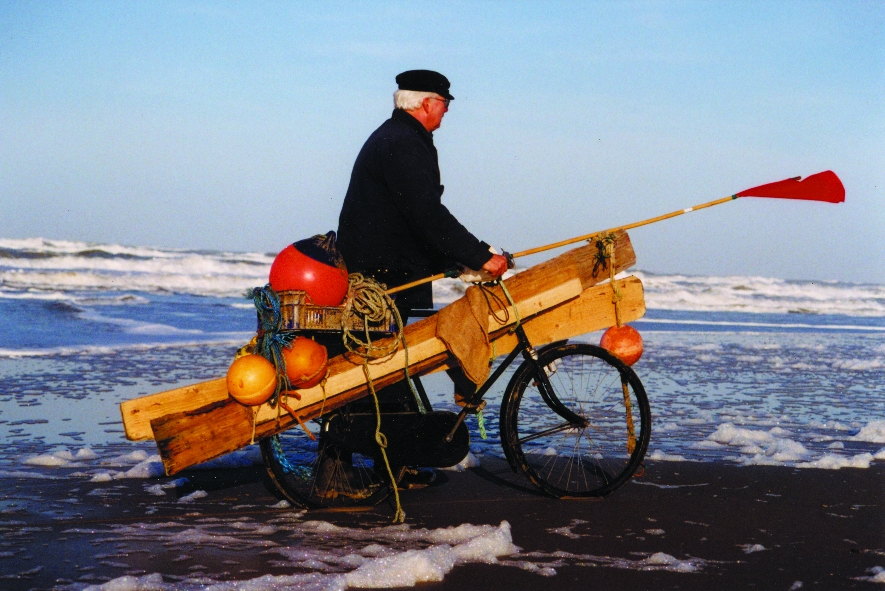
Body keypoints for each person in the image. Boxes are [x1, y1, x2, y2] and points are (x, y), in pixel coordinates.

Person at [321, 70, 507, 493]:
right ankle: (341, 470)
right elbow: (426, 215)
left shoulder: (398, 137)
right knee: (374, 372)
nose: (446, 111)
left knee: (382, 368)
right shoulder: (404, 143)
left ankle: (395, 463)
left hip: (383, 269)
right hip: (381, 278)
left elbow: (413, 218)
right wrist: (479, 256)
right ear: (425, 103)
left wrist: (461, 261)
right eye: (445, 103)